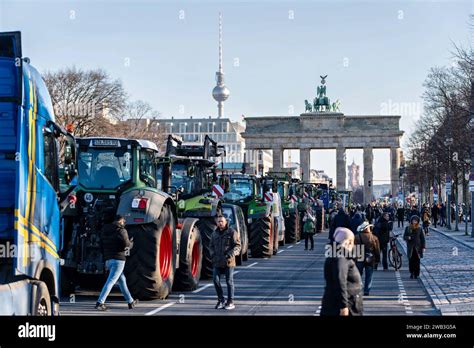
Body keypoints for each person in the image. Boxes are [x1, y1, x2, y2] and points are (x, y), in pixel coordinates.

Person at [96, 215, 137, 311]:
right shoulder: (121, 231)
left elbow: (101, 245)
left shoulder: (104, 230)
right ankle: (100, 302)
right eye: (124, 221)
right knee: (111, 281)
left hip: (108, 260)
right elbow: (126, 245)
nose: (124, 223)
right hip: (119, 260)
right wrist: (131, 243)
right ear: (120, 221)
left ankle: (130, 301)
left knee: (122, 280)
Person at [321, 227, 363, 316]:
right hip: (341, 307)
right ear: (349, 241)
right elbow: (340, 281)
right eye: (352, 241)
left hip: (338, 304)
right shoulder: (341, 257)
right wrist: (343, 306)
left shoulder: (338, 254)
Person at [210, 215, 241, 310]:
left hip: (228, 262)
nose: (220, 223)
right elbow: (211, 246)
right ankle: (221, 300)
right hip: (217, 262)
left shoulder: (232, 232)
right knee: (215, 280)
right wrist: (212, 255)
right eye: (218, 221)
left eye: (222, 221)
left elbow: (238, 246)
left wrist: (231, 254)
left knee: (229, 281)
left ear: (226, 222)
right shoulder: (214, 234)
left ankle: (230, 301)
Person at [355, 221, 380, 296]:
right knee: (369, 275)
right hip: (370, 257)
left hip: (359, 256)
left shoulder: (357, 237)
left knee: (358, 274)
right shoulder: (374, 237)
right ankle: (367, 290)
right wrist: (377, 259)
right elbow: (377, 249)